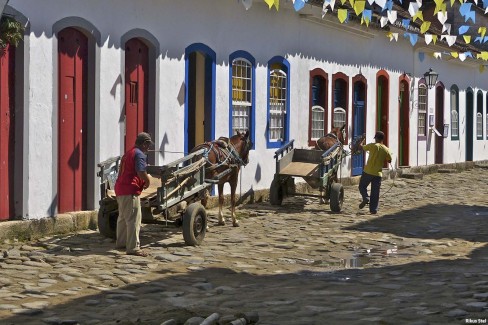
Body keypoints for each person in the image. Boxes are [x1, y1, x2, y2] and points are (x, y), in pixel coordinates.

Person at [114, 132, 153, 256]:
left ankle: (121, 242)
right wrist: (148, 180)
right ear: (144, 144)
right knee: (134, 219)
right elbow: (141, 172)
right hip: (130, 189)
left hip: (120, 188)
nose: (149, 148)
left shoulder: (129, 152)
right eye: (148, 145)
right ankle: (133, 248)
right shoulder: (140, 154)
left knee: (122, 218)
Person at [358, 131, 392, 214]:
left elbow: (361, 147)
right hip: (378, 174)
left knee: (362, 186)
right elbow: (389, 160)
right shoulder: (386, 149)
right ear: (382, 139)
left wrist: (361, 141)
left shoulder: (372, 146)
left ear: (376, 138)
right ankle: (373, 209)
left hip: (368, 171)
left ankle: (366, 197)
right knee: (375, 192)